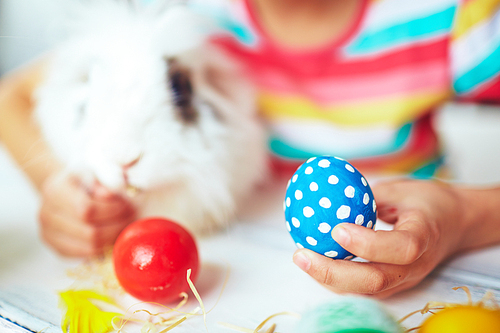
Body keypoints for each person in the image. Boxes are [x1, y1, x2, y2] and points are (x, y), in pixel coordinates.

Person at [0, 0, 499, 298]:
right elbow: (12, 97)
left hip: (434, 272)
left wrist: (464, 215)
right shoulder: (192, 17)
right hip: (245, 273)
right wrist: (58, 189)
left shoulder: (452, 18)